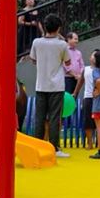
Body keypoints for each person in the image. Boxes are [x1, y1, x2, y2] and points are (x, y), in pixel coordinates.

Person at [29, 13, 70, 158]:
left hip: (41, 84)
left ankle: (37, 145)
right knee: (54, 117)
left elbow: (33, 60)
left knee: (39, 117)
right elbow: (68, 62)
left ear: (44, 27)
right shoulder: (62, 44)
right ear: (58, 28)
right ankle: (55, 148)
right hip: (57, 86)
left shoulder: (36, 42)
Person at [74, 50, 99, 149]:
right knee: (87, 121)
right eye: (93, 55)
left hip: (98, 98)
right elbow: (80, 82)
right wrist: (75, 93)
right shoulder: (86, 69)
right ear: (90, 58)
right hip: (88, 98)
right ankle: (89, 143)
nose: (94, 57)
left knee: (99, 121)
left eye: (96, 56)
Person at [63, 32, 84, 96]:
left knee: (75, 97)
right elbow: (65, 66)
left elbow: (82, 65)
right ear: (69, 39)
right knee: (67, 97)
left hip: (77, 79)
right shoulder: (64, 50)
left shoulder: (78, 52)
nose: (77, 41)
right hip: (68, 79)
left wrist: (80, 75)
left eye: (77, 39)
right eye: (75, 39)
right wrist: (75, 75)